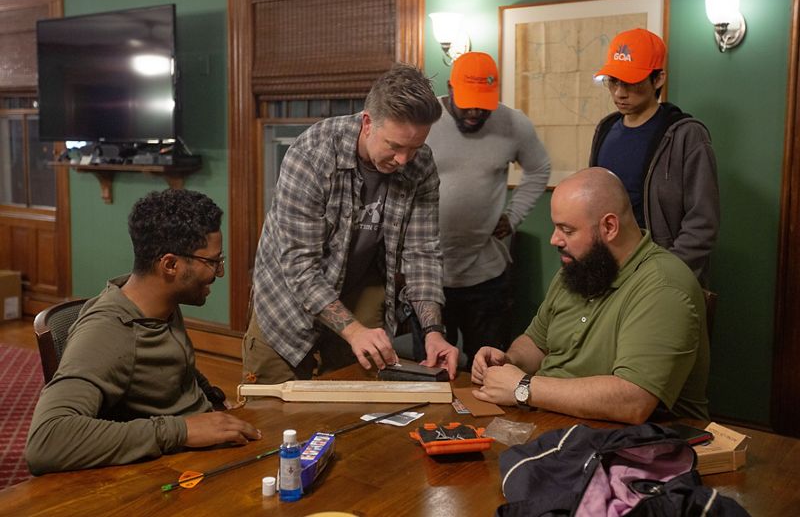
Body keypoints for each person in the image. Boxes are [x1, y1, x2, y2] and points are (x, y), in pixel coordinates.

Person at [243, 63, 459, 384]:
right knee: (273, 411)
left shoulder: (421, 165)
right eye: (395, 146)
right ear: (368, 123)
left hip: (361, 291)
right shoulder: (311, 155)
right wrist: (353, 331)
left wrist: (432, 332)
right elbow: (300, 268)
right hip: (285, 300)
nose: (404, 160)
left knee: (351, 398)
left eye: (414, 147)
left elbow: (422, 255)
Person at [25, 189, 260, 475]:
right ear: (170, 265)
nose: (218, 273)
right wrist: (181, 430)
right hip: (169, 474)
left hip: (203, 452)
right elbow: (46, 440)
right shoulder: (108, 333)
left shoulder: (162, 303)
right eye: (212, 263)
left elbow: (172, 364)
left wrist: (213, 398)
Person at [472, 167, 709, 424]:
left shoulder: (664, 288)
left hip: (635, 444)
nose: (554, 239)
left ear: (609, 226)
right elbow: (537, 342)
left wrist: (523, 387)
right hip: (554, 422)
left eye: (567, 230)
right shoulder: (580, 266)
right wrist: (508, 361)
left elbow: (634, 401)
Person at [425, 52, 550, 367]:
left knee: (491, 369)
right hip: (427, 276)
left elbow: (539, 168)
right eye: (467, 100)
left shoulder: (513, 123)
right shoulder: (424, 120)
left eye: (483, 102)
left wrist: (514, 214)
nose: (475, 111)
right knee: (434, 372)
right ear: (450, 88)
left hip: (487, 275)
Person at [589, 28, 720, 285]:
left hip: (661, 276)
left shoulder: (686, 135)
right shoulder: (605, 129)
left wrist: (663, 276)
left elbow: (702, 222)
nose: (619, 93)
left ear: (658, 79)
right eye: (613, 82)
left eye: (631, 83)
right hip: (608, 272)